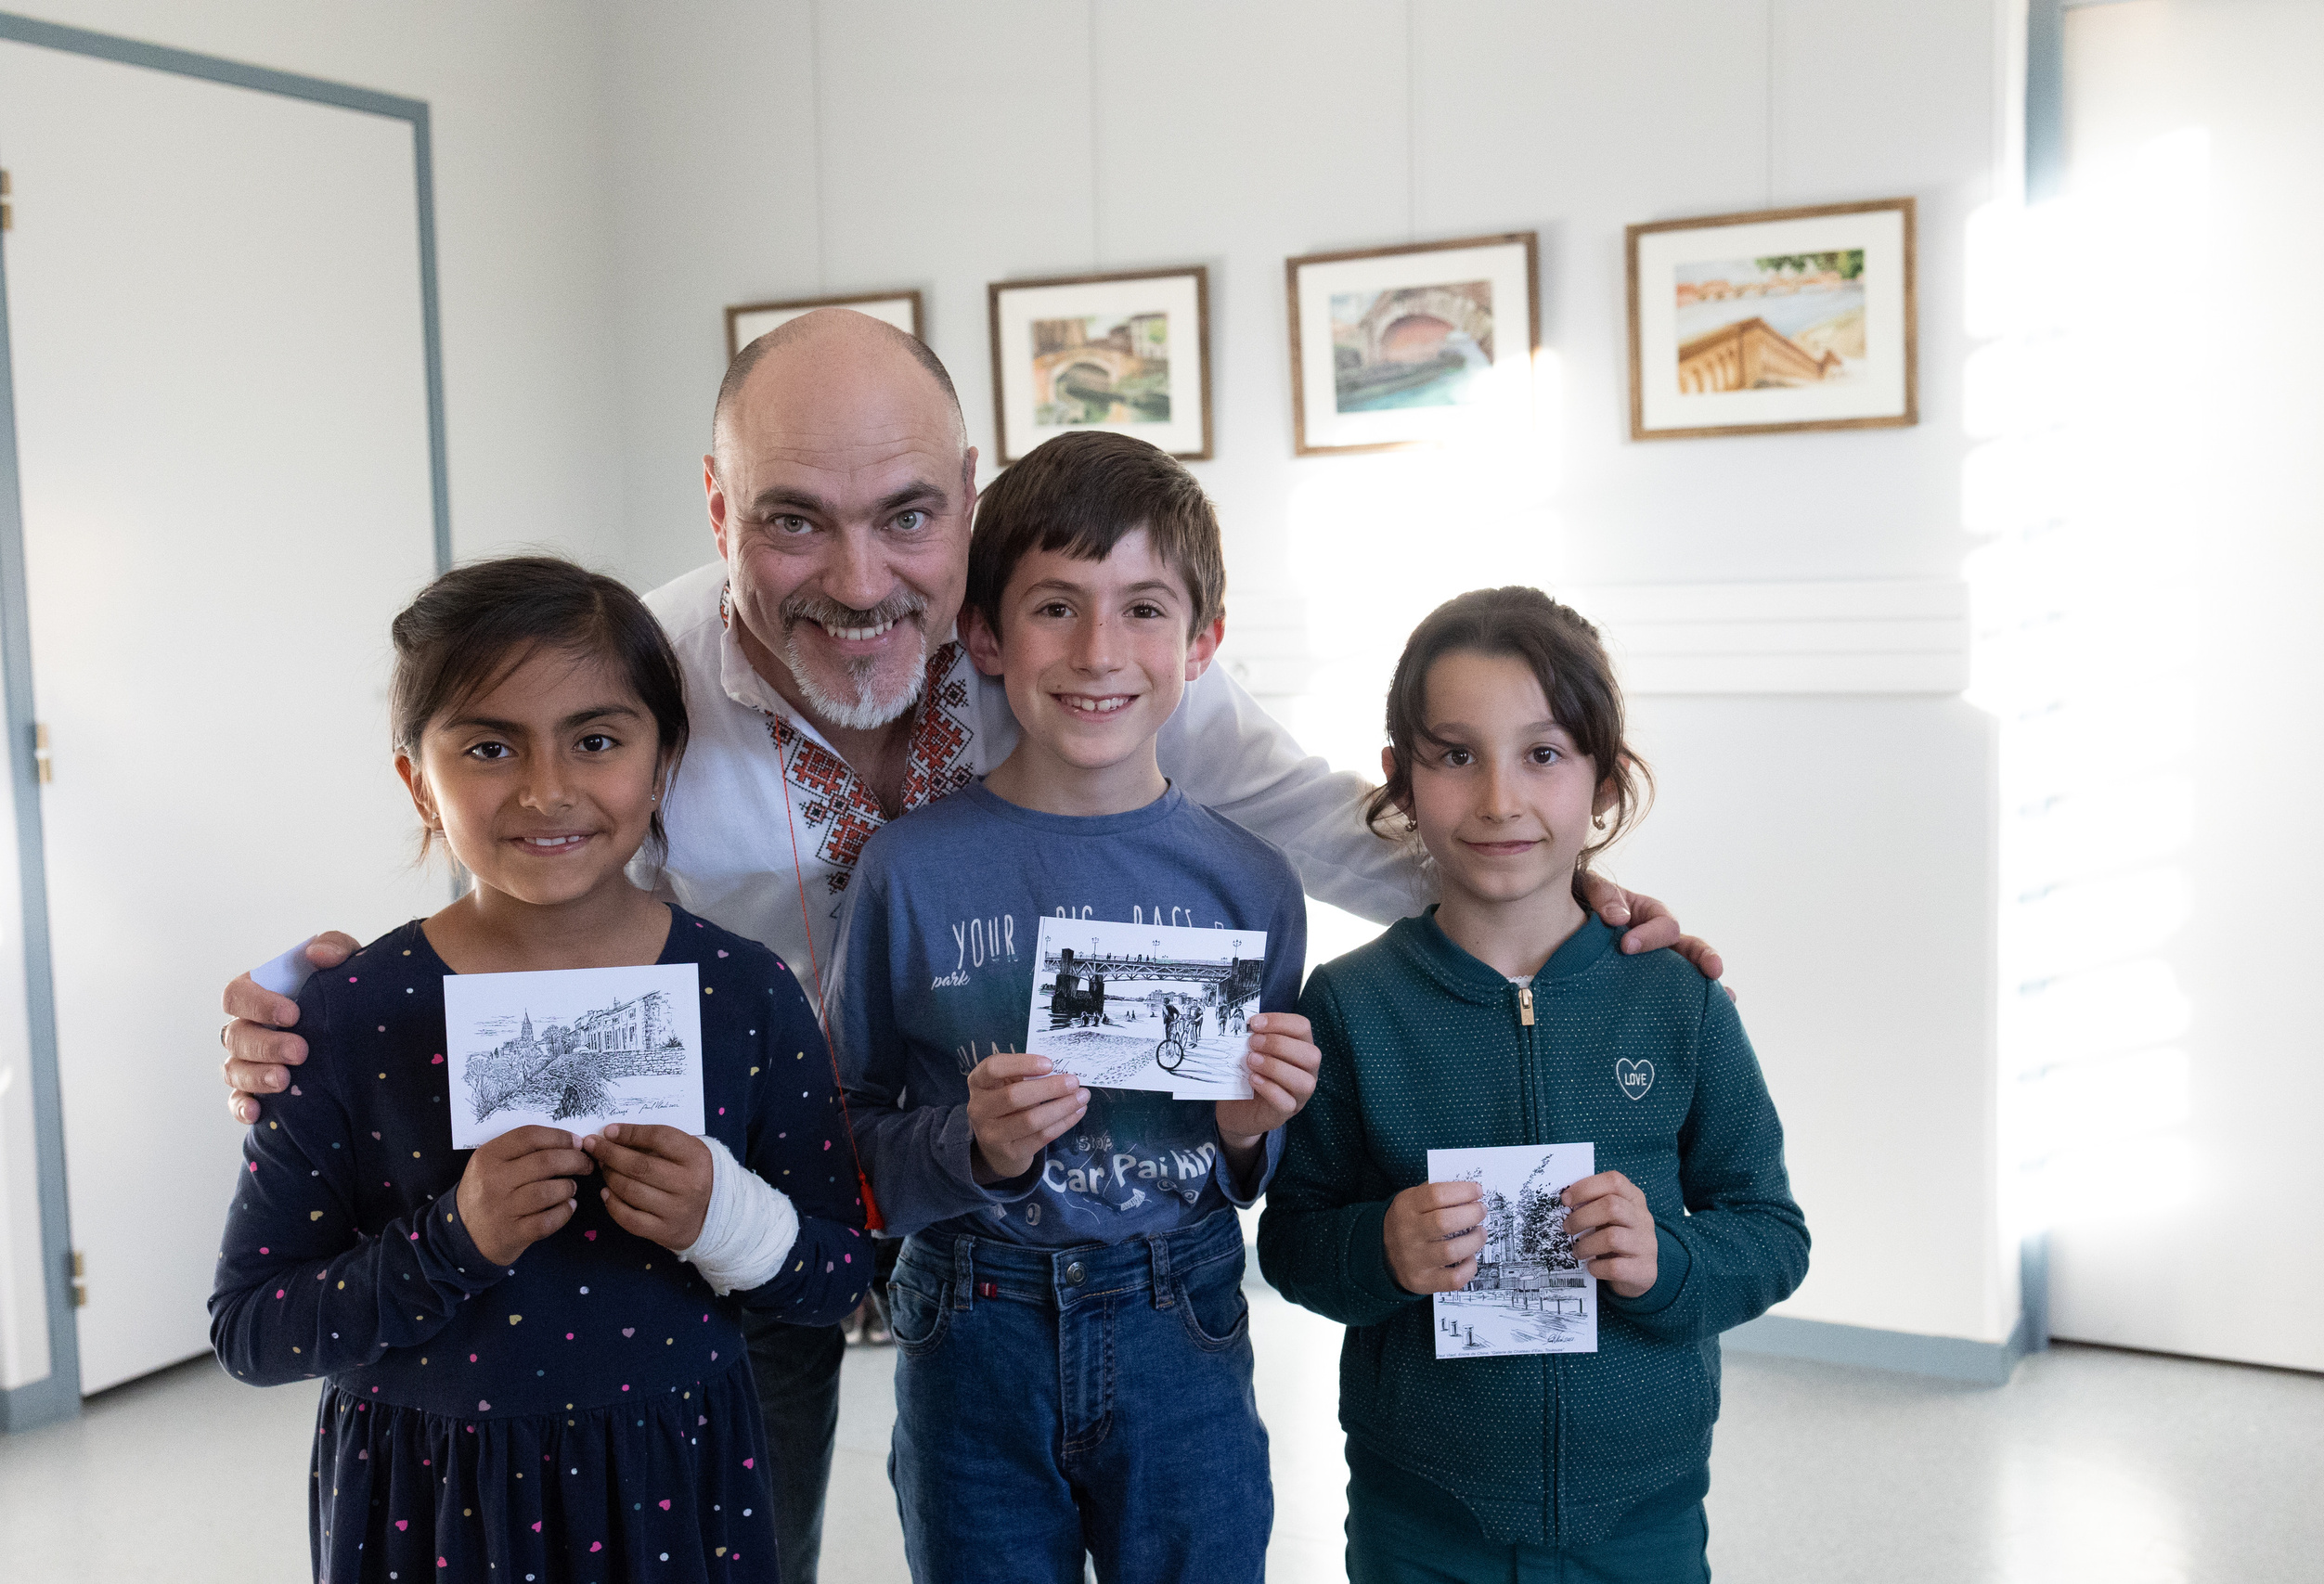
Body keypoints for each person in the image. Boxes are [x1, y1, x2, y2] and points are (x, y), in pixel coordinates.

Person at [215, 312, 1719, 1582]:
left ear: (965, 498)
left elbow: (1333, 833)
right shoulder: (641, 671)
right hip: (727, 1201)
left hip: (1067, 1249)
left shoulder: (1081, 655)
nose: (862, 579)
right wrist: (345, 1008)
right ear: (720, 508)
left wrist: (1572, 908)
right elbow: (532, 850)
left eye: (906, 517)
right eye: (796, 515)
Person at [207, 557, 867, 1582]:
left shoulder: (743, 996)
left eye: (596, 740)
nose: (545, 788)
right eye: (486, 745)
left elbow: (834, 1277)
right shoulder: (344, 1018)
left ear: (663, 762)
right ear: (415, 777)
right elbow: (252, 1331)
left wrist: (722, 1219)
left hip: (679, 1490)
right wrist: (451, 1242)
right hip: (429, 1510)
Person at [831, 431, 1317, 1582]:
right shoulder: (907, 871)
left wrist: (1256, 1127)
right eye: (1056, 606)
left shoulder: (1252, 885)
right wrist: (970, 1146)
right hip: (968, 1324)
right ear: (985, 636)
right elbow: (847, 1142)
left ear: (1201, 643)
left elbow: (1263, 1164)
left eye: (1144, 608)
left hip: (1181, 1318)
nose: (1100, 651)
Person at [1256, 587, 1810, 1583]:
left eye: (1543, 755)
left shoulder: (1676, 1000)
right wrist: (1380, 1246)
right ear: (1400, 778)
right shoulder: (1347, 1007)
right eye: (1454, 754)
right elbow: (1292, 1241)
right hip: (1417, 1515)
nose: (1499, 801)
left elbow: (1771, 1233)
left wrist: (1666, 1260)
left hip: (1643, 1513)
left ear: (1603, 781)